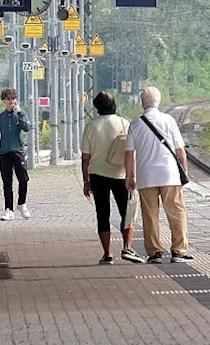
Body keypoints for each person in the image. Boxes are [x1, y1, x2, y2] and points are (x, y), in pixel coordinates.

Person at [124, 86, 192, 263]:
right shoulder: (168, 120)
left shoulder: (135, 124)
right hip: (169, 175)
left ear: (142, 103)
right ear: (158, 102)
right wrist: (184, 172)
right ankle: (179, 251)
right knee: (176, 212)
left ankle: (154, 252)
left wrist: (130, 177)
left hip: (146, 176)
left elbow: (129, 153)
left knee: (150, 215)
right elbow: (180, 150)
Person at [81, 91, 144, 265]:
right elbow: (131, 152)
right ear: (113, 104)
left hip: (97, 174)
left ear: (97, 106)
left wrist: (86, 181)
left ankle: (107, 254)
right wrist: (133, 175)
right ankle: (127, 247)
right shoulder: (124, 122)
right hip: (120, 173)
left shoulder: (91, 126)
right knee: (127, 212)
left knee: (102, 213)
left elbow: (85, 157)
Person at [0, 88, 32, 221]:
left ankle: (22, 203)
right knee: (7, 182)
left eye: (13, 99)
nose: (11, 102)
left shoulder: (20, 114)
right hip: (4, 152)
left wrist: (19, 113)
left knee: (23, 179)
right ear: (3, 101)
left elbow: (26, 127)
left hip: (18, 150)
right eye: (8, 99)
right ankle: (9, 209)